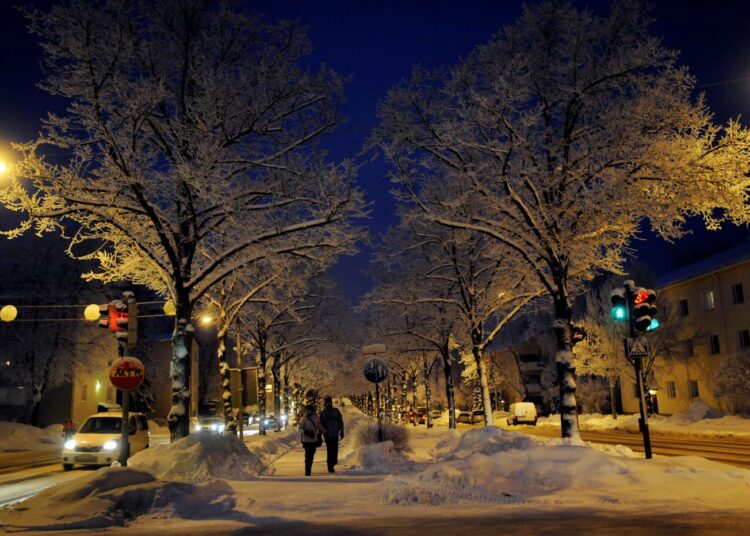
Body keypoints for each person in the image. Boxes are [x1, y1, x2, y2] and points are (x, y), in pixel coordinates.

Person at [319, 395, 344, 473]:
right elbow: (321, 424)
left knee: (335, 449)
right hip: (327, 434)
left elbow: (340, 421)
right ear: (325, 403)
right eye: (327, 403)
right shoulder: (323, 413)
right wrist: (321, 433)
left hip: (335, 433)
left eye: (329, 402)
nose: (328, 404)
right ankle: (330, 466)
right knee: (330, 450)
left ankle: (333, 462)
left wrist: (342, 431)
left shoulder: (336, 411)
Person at [298, 404, 323, 476]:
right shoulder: (304, 419)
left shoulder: (316, 418)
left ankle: (309, 467)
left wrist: (325, 432)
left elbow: (319, 426)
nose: (307, 411)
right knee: (307, 455)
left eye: (308, 410)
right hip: (306, 440)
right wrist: (305, 432)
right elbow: (300, 428)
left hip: (313, 440)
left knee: (311, 454)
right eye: (306, 410)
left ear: (312, 410)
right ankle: (307, 470)